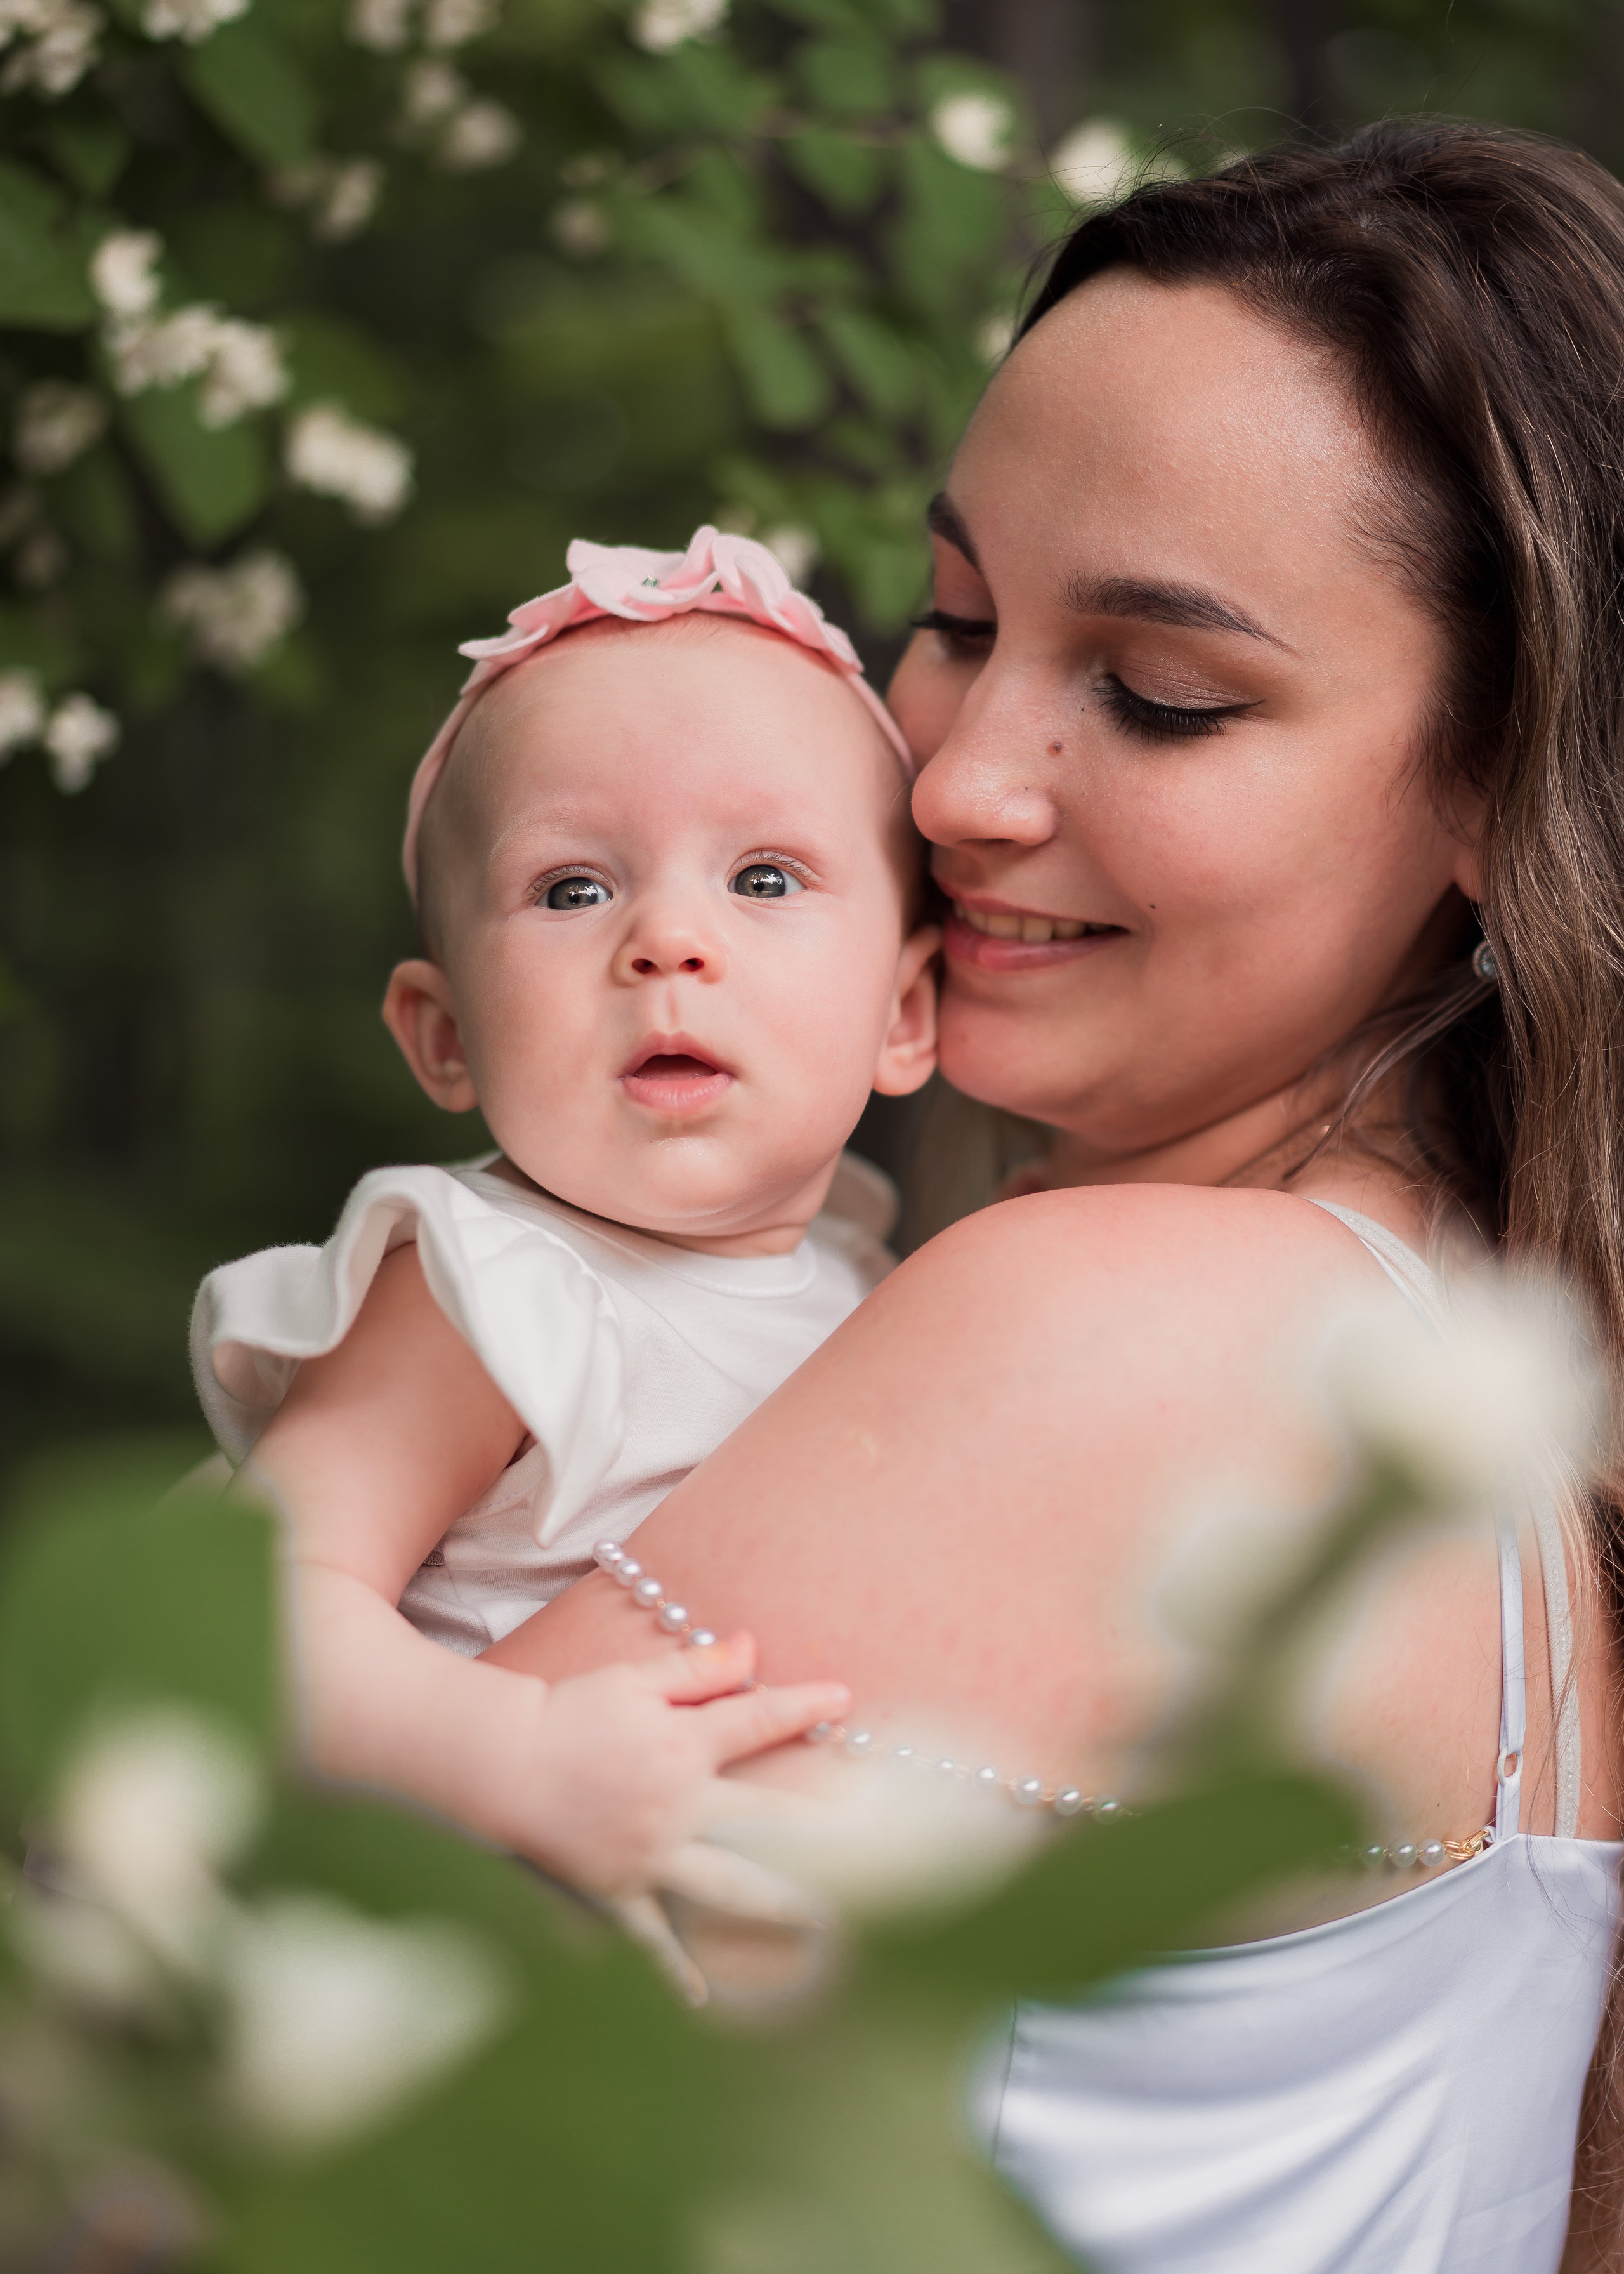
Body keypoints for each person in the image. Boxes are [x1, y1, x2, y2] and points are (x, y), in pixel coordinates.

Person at [487, 123, 1624, 2271]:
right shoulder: (1486, 1408)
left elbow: (202, 2082)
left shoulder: (1122, 1325)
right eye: (955, 618)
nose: (957, 778)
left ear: (1500, 781)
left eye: (1163, 696)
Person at [188, 528, 940, 1956]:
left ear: (903, 1013)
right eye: (572, 889)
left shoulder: (860, 1280)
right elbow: (247, 1609)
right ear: (447, 1034)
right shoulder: (487, 1289)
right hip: (422, 1934)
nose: (665, 939)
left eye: (764, 879)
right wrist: (517, 1755)